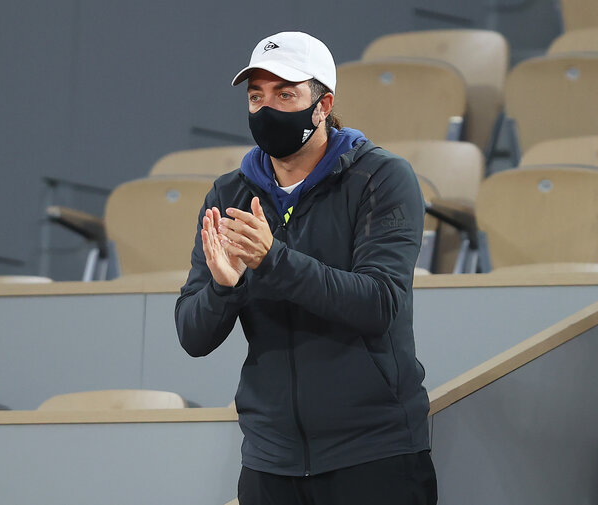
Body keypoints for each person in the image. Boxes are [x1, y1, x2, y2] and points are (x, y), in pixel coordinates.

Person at [175, 31, 437, 505]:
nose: (266, 109)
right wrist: (224, 288)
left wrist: (272, 260)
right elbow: (193, 336)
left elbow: (380, 303)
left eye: (285, 94)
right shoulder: (229, 194)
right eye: (257, 96)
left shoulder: (381, 177)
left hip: (373, 453)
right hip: (270, 461)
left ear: (323, 105)